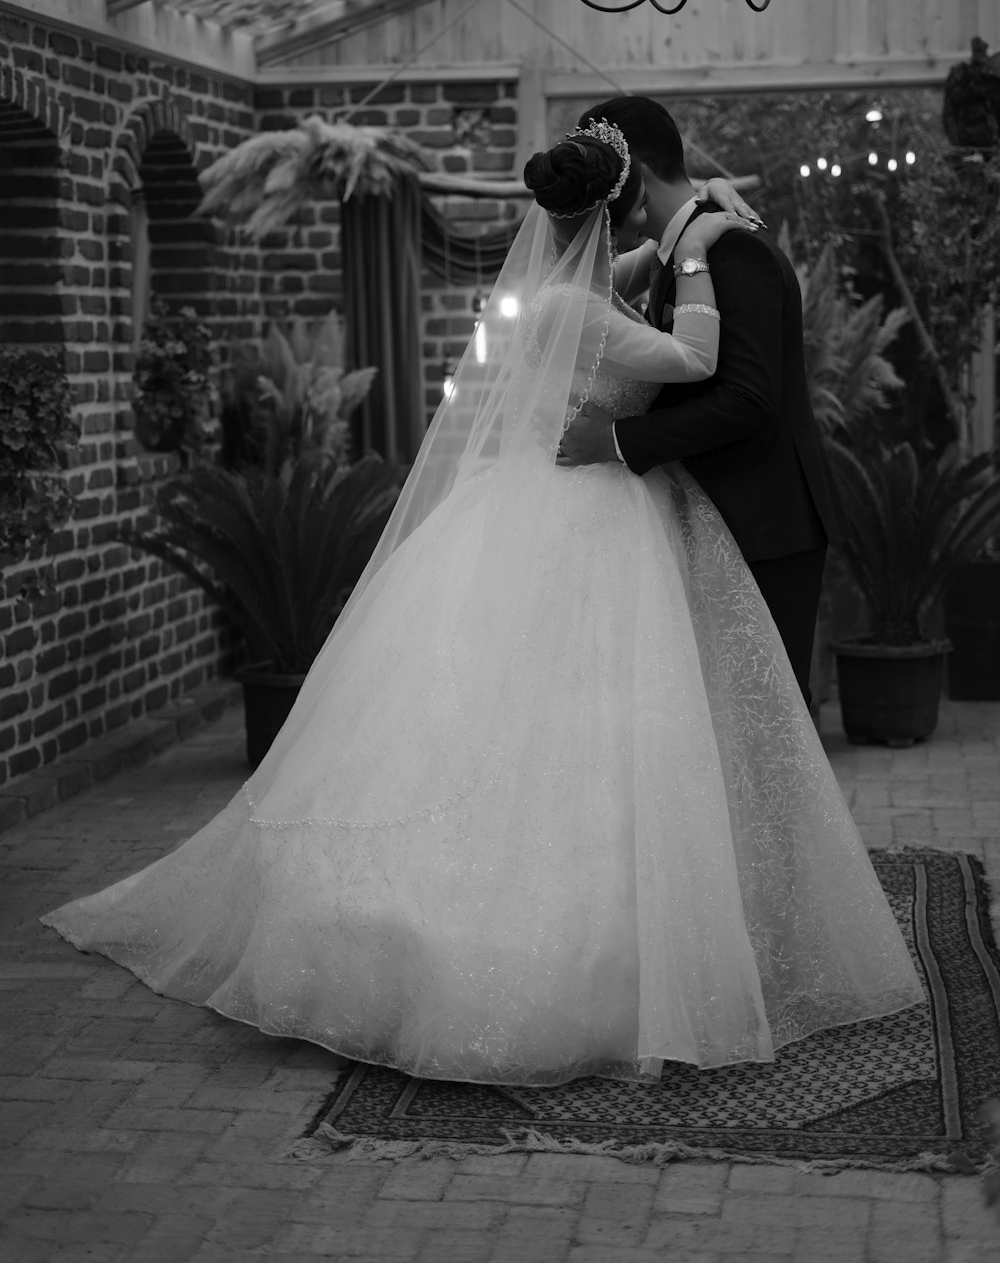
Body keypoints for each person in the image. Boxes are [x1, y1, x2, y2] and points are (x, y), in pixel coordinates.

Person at [41, 124, 922, 1088]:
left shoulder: (561, 294)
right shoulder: (587, 313)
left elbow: (624, 264)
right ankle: (579, 947)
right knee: (586, 727)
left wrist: (680, 236)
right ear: (610, 211)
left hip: (539, 507)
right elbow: (700, 360)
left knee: (529, 717)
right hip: (594, 517)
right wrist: (701, 250)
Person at [558, 96, 843, 708]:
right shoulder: (677, 248)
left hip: (763, 523)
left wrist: (614, 442)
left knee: (766, 724)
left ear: (635, 174)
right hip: (718, 520)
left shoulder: (731, 250)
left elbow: (748, 398)